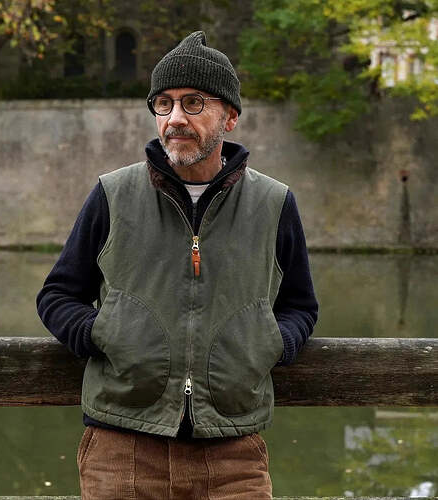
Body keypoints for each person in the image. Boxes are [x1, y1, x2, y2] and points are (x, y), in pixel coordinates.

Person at [37, 30, 318, 499]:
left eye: (193, 103)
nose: (175, 118)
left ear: (230, 116)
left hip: (233, 453)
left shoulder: (274, 203)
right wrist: (104, 333)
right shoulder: (113, 194)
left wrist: (268, 343)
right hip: (121, 448)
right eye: (163, 104)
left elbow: (300, 306)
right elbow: (57, 295)